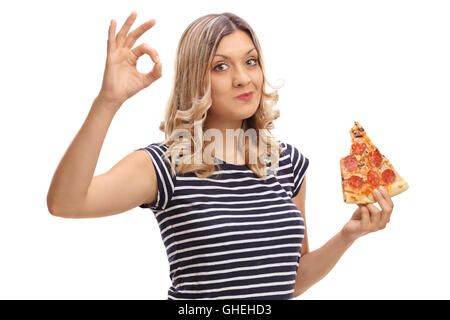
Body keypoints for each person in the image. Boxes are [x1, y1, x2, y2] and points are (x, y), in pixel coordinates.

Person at [47, 11, 394, 300]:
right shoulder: (165, 165)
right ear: (194, 78)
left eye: (251, 61)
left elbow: (292, 280)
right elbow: (66, 203)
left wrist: (348, 236)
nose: (244, 79)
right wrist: (108, 101)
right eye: (221, 67)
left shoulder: (287, 163)